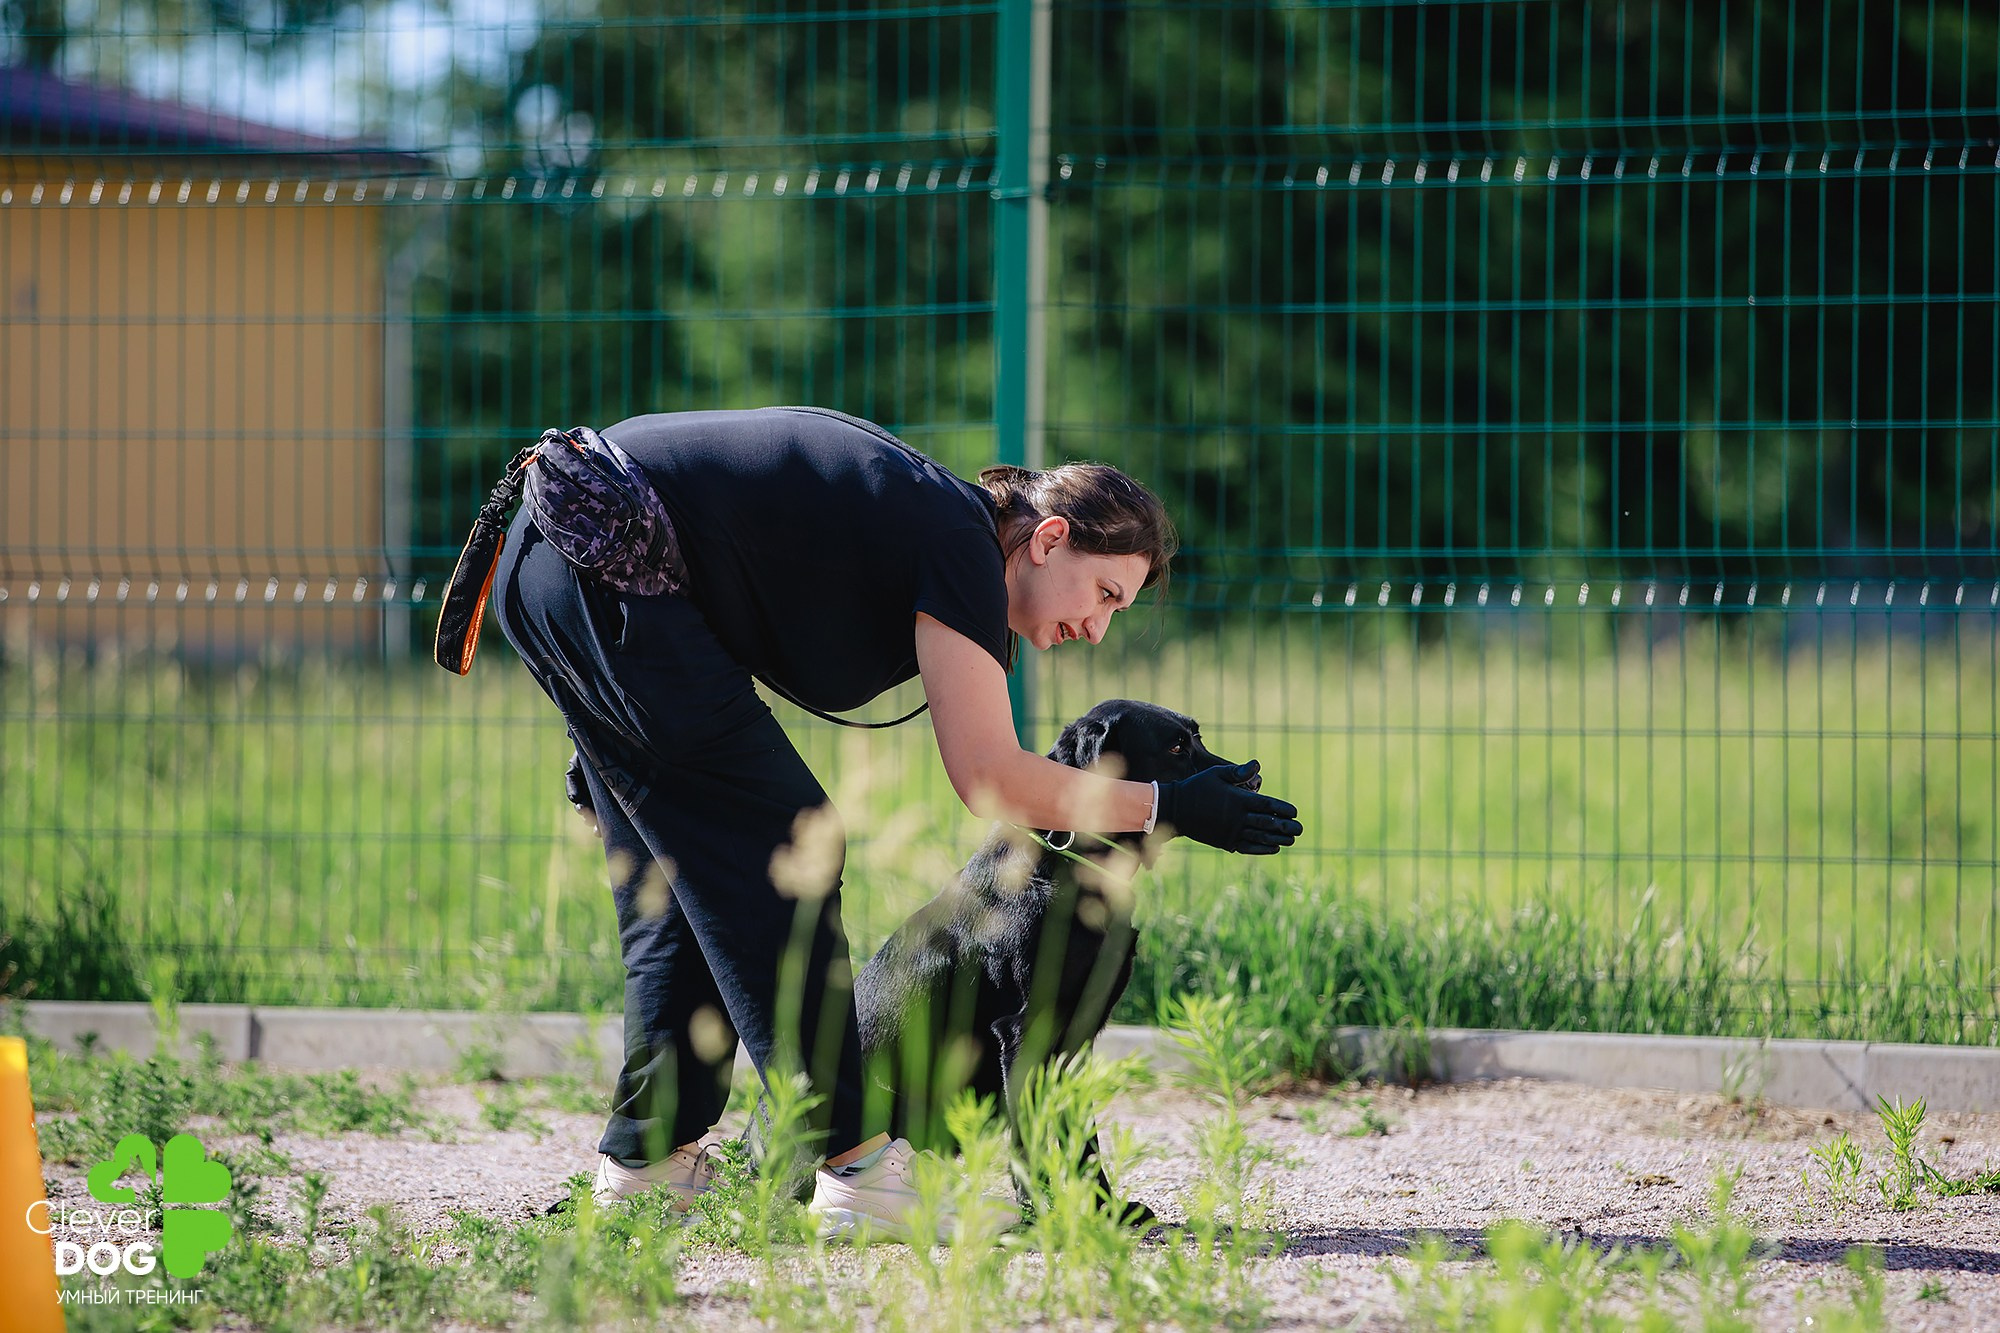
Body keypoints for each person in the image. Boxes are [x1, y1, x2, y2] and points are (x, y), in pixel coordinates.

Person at [488, 405, 1302, 1239]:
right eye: (1103, 594)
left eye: (1115, 612)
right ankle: (857, 1165)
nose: (1096, 628)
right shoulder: (962, 541)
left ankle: (648, 1162)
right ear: (1050, 538)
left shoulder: (950, 534)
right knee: (785, 844)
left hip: (561, 560)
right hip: (601, 553)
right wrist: (1168, 805)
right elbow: (990, 777)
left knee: (682, 877)